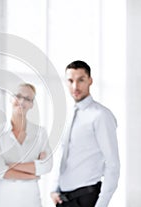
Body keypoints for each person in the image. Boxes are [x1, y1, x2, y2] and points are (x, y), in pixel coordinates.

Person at [50, 60, 120, 207]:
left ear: (90, 81)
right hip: (64, 199)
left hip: (87, 198)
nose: (75, 86)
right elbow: (63, 154)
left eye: (81, 80)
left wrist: (102, 203)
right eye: (70, 80)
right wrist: (54, 188)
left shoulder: (101, 115)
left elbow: (112, 164)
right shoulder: (68, 115)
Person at [0, 83, 53, 207]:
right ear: (11, 98)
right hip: (4, 200)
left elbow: (47, 166)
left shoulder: (40, 133)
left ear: (32, 104)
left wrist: (10, 166)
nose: (22, 101)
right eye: (18, 96)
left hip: (31, 200)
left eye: (27, 99)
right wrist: (33, 173)